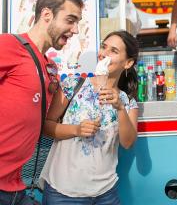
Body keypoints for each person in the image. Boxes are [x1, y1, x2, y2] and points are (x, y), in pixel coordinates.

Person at [0, 0, 83, 205]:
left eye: (78, 23)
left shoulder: (50, 68)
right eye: (70, 20)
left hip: (15, 186)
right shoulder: (8, 45)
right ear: (47, 14)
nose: (75, 30)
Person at [40, 30, 139, 205]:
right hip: (63, 192)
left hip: (106, 193)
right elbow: (46, 127)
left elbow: (128, 142)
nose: (104, 54)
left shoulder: (127, 101)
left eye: (113, 51)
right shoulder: (72, 85)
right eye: (103, 47)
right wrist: (76, 130)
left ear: (128, 63)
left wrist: (120, 108)